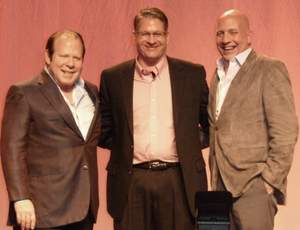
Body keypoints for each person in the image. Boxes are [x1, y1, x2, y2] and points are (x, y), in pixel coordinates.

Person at [99, 7, 209, 230]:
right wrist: (125, 148)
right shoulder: (112, 77)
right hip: (132, 181)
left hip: (179, 180)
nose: (151, 40)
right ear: (135, 36)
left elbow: (209, 124)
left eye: (157, 34)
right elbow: (105, 129)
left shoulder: (192, 74)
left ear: (167, 37)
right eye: (145, 34)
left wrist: (188, 145)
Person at [1, 30, 101, 230]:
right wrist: (20, 198)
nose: (70, 63)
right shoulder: (24, 92)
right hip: (42, 211)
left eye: (76, 58)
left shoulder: (91, 92)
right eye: (64, 56)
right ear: (48, 56)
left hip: (83, 210)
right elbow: (11, 148)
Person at [208, 9, 298, 230]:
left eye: (233, 32)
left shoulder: (269, 68)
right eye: (220, 33)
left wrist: (268, 181)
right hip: (220, 187)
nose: (226, 39)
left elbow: (286, 131)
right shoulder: (217, 74)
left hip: (253, 187)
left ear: (249, 35)